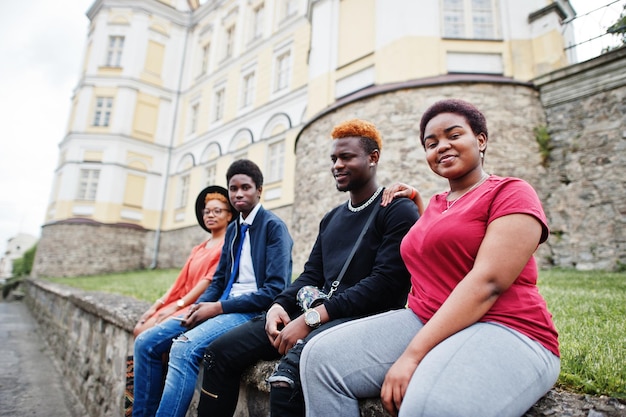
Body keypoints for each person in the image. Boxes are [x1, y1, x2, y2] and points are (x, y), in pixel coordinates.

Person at [300, 99, 560, 417]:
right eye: (431, 143)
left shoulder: (511, 192)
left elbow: (488, 283)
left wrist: (412, 355)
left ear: (481, 140)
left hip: (508, 327)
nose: (442, 147)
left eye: (454, 135)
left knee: (428, 405)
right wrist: (422, 205)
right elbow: (438, 247)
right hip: (427, 317)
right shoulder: (438, 203)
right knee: (318, 358)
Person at [196, 119, 420, 417]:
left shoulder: (396, 209)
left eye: (347, 157)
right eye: (333, 159)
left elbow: (387, 285)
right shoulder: (331, 218)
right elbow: (311, 274)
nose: (337, 165)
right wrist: (278, 305)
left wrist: (314, 318)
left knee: (287, 380)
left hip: (360, 321)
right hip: (317, 313)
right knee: (218, 353)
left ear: (373, 157)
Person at [132, 159, 294, 417]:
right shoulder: (233, 230)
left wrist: (217, 307)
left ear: (259, 190)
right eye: (233, 188)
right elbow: (219, 281)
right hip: (221, 306)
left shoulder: (273, 227)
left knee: (183, 348)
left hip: (250, 311)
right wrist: (200, 306)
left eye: (246, 187)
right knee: (146, 342)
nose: (239, 193)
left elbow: (273, 292)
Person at [133, 185, 234, 337]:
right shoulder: (198, 248)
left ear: (229, 215)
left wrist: (177, 306)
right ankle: (133, 362)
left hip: (197, 304)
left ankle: (137, 361)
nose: (210, 215)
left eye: (217, 211)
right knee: (139, 329)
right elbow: (179, 282)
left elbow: (207, 282)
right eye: (207, 212)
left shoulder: (226, 246)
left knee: (147, 334)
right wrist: (156, 306)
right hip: (181, 300)